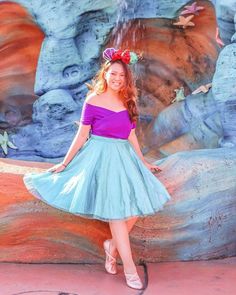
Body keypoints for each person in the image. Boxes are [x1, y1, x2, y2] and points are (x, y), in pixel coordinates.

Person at [23, 47, 171, 290]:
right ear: (105, 73)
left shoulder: (127, 99)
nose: (117, 79)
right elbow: (82, 135)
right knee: (117, 213)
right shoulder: (93, 100)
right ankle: (130, 269)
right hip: (100, 158)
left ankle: (112, 246)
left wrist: (143, 161)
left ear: (126, 79)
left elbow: (131, 134)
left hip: (124, 156)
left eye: (122, 76)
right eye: (113, 74)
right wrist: (65, 163)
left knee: (137, 204)